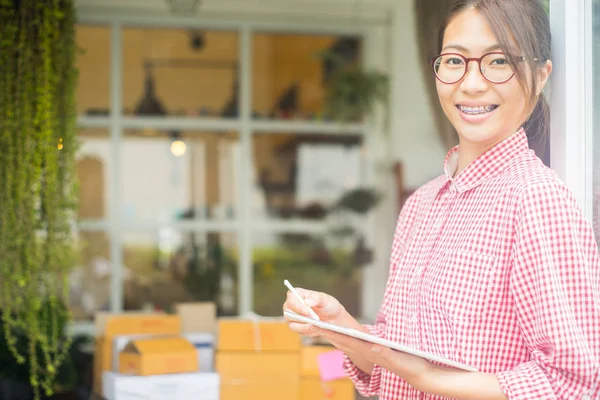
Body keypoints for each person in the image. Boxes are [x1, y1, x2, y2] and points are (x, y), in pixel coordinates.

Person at [283, 0, 600, 399]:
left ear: (539, 76)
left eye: (498, 61)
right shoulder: (421, 204)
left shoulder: (535, 199)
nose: (471, 83)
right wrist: (340, 327)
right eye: (454, 61)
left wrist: (426, 377)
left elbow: (571, 383)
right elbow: (393, 368)